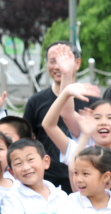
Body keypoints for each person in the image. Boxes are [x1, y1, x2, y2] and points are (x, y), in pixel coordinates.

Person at [22, 42, 92, 192]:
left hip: (84, 181)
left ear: (77, 63)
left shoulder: (92, 102)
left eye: (63, 59)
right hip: (46, 181)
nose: (57, 66)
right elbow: (25, 141)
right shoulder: (36, 101)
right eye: (52, 61)